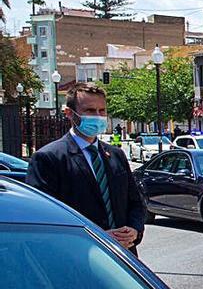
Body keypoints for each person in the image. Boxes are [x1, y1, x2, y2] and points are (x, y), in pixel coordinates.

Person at [25, 82, 146, 255]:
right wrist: (96, 237)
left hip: (123, 257)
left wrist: (134, 230)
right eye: (89, 111)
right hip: (77, 258)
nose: (97, 116)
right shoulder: (48, 158)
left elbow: (136, 203)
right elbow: (43, 218)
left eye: (102, 111)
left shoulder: (116, 155)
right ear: (69, 113)